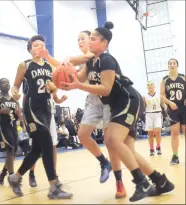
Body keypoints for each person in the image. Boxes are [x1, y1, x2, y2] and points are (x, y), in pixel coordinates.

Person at [59, 21, 175, 202]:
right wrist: (65, 79)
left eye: (93, 39)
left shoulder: (107, 60)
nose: (90, 42)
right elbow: (76, 78)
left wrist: (78, 85)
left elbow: (105, 89)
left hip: (128, 101)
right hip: (118, 105)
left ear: (104, 43)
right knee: (127, 150)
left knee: (111, 139)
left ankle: (141, 183)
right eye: (89, 39)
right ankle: (160, 181)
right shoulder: (92, 62)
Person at [38, 30, 126, 198]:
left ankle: (119, 182)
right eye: (77, 39)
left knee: (110, 143)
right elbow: (69, 72)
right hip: (93, 98)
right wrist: (62, 80)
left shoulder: (97, 57)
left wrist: (53, 59)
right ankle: (103, 162)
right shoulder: (86, 61)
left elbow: (70, 62)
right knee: (82, 134)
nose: (80, 41)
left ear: (93, 40)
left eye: (83, 38)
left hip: (110, 99)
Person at [9, 35, 73, 199]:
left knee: (37, 149)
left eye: (42, 45)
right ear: (30, 48)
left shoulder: (49, 67)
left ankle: (15, 178)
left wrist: (58, 97)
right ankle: (53, 186)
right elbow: (15, 87)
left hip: (46, 109)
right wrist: (14, 93)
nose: (39, 47)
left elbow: (52, 91)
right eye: (36, 45)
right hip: (31, 109)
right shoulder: (24, 65)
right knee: (46, 141)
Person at [28, 92, 68, 187]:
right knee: (35, 147)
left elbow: (56, 98)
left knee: (53, 145)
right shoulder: (35, 82)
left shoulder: (51, 81)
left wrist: (61, 100)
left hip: (50, 115)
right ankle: (31, 174)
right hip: (37, 115)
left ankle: (54, 175)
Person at [0, 78, 22, 185]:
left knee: (13, 152)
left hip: (13, 127)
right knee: (10, 150)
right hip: (2, 127)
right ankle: (12, 177)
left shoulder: (14, 99)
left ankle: (2, 174)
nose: (6, 84)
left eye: (7, 82)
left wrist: (18, 113)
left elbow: (18, 117)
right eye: (3, 82)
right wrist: (0, 112)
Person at [160, 58, 186, 165]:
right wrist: (169, 103)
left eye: (174, 63)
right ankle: (175, 156)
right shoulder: (165, 80)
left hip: (184, 108)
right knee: (174, 132)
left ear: (177, 65)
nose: (172, 65)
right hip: (173, 109)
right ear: (168, 66)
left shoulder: (183, 77)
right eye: (170, 63)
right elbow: (161, 95)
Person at [143, 81, 163, 156]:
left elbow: (163, 104)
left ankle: (158, 146)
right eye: (148, 85)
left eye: (151, 85)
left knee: (158, 131)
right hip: (149, 115)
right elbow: (143, 107)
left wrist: (167, 108)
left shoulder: (159, 95)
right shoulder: (145, 96)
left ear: (154, 86)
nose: (150, 86)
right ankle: (151, 149)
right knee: (150, 134)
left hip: (157, 114)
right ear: (147, 87)